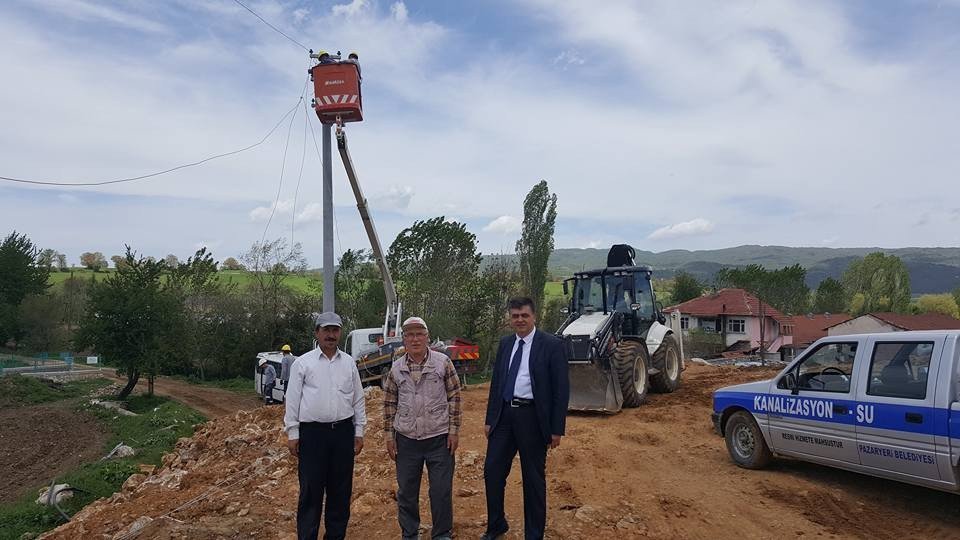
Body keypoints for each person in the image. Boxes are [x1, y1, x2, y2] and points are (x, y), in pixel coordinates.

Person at [482, 297, 570, 540]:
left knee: (533, 479)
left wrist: (556, 429)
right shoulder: (505, 344)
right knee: (492, 471)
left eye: (524, 315)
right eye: (515, 316)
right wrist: (490, 419)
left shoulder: (551, 345)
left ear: (534, 317)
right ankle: (497, 525)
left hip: (533, 418)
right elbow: (497, 383)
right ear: (510, 318)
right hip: (504, 417)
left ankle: (533, 535)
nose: (519, 320)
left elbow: (561, 390)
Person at [284, 312, 367, 540]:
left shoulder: (349, 363)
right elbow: (292, 400)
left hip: (342, 433)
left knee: (340, 492)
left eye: (335, 330)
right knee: (311, 492)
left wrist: (359, 431)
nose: (331, 335)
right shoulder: (303, 363)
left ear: (340, 332)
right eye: (326, 330)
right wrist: (293, 432)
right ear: (317, 333)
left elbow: (358, 399)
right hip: (313, 435)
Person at [383, 317, 461, 540]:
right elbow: (389, 404)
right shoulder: (396, 369)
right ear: (403, 340)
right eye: (410, 334)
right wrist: (390, 437)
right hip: (406, 440)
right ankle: (409, 533)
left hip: (439, 438)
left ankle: (442, 534)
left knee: (441, 490)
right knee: (407, 492)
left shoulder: (442, 363)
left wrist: (454, 430)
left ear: (427, 337)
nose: (415, 339)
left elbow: (454, 396)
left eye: (419, 334)